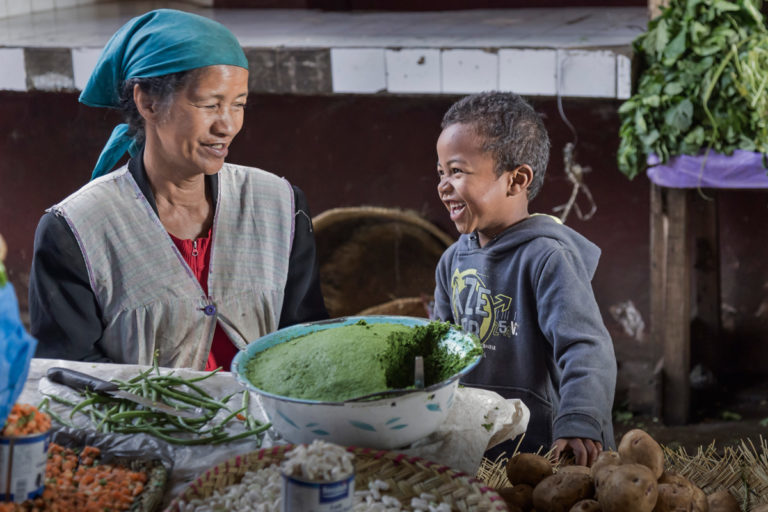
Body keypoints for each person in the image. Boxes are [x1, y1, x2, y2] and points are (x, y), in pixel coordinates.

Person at [28, 9, 327, 370]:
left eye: (239, 105)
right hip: (142, 426)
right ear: (148, 102)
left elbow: (308, 341)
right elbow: (72, 370)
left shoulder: (280, 205)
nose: (228, 125)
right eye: (209, 104)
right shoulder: (75, 230)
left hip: (264, 424)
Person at [432, 92, 616, 466]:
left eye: (458, 171)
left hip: (550, 453)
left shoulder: (548, 257)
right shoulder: (452, 261)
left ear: (516, 180)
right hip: (479, 452)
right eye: (441, 172)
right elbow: (441, 350)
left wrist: (579, 420)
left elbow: (585, 347)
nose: (444, 185)